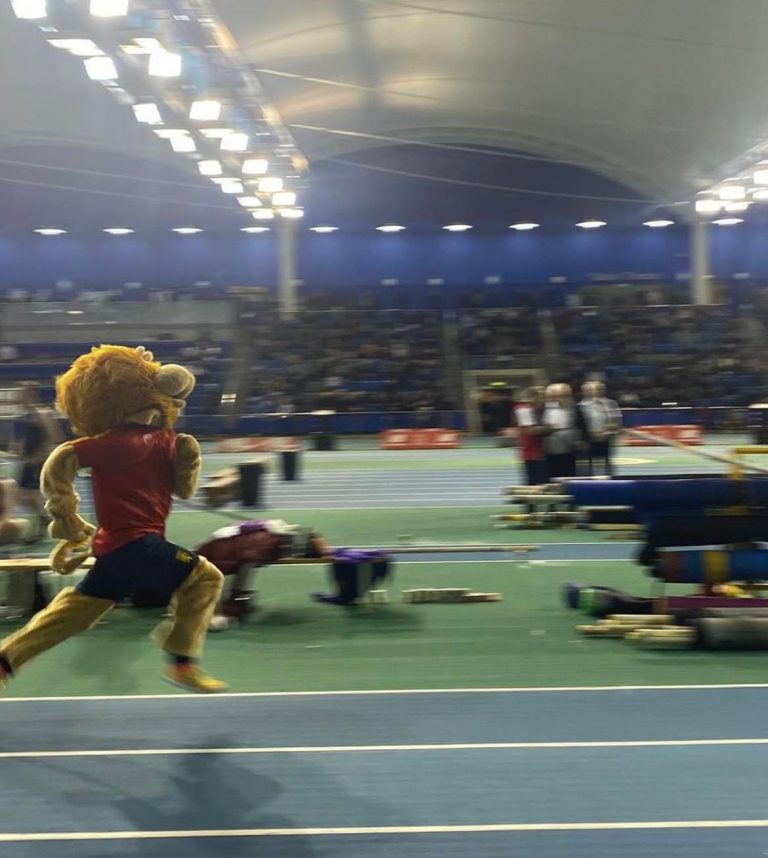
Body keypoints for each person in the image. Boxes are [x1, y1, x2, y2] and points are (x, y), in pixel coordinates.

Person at [0, 345, 227, 694]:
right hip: (135, 544)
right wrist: (65, 514)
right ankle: (182, 662)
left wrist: (187, 459)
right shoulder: (113, 443)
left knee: (71, 615)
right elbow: (63, 460)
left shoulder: (164, 438)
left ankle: (5, 661)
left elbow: (183, 488)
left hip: (117, 550)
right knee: (205, 577)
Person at [12, 383, 63, 541]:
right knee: (19, 495)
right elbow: (21, 443)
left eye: (23, 393)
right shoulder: (24, 417)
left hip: (37, 463)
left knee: (30, 495)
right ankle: (44, 518)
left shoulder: (43, 413)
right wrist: (17, 449)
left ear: (31, 395)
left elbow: (55, 437)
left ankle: (47, 520)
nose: (19, 397)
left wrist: (40, 456)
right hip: (28, 463)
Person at [513, 387, 549, 507]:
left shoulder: (534, 409)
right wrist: (549, 428)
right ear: (534, 397)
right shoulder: (524, 409)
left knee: (541, 481)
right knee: (532, 482)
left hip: (537, 451)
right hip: (531, 452)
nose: (543, 400)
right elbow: (529, 430)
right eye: (541, 397)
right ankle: (530, 509)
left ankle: (537, 507)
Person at [579, 381, 622, 476]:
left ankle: (610, 483)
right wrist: (590, 435)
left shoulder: (610, 403)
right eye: (594, 389)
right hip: (588, 440)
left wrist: (605, 433)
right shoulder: (580, 406)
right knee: (586, 465)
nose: (597, 391)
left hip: (605, 439)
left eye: (600, 389)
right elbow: (580, 424)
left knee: (607, 464)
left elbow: (615, 421)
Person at [542, 383, 579, 480]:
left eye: (564, 395)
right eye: (553, 396)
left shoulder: (572, 408)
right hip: (548, 451)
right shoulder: (542, 409)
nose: (558, 398)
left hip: (568, 450)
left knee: (569, 476)